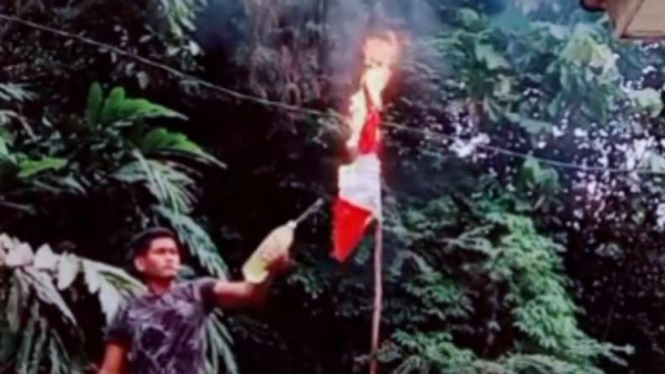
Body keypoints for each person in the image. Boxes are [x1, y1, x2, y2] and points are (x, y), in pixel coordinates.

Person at [97, 226, 293, 374]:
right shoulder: (129, 309)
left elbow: (249, 293)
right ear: (141, 263)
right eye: (161, 252)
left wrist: (269, 269)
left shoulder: (198, 290)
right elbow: (110, 369)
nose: (170, 258)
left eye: (173, 252)